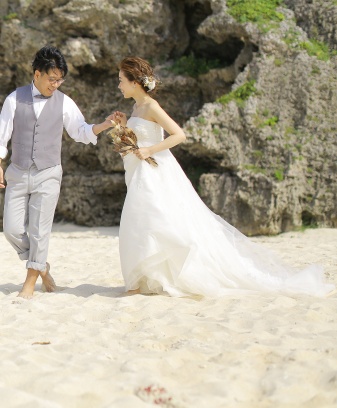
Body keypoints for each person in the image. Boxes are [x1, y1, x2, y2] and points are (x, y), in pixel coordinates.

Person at [111, 56, 334, 298]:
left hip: (154, 172)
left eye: (121, 80)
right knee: (144, 221)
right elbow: (141, 137)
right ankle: (144, 280)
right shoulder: (135, 108)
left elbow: (179, 135)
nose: (119, 85)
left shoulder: (152, 106)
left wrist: (150, 150)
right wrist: (124, 126)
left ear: (135, 83)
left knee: (149, 220)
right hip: (141, 172)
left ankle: (141, 283)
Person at [0, 46, 114, 299]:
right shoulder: (14, 99)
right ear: (37, 74)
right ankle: (42, 266)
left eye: (60, 79)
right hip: (18, 170)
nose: (56, 84)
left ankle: (29, 283)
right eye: (52, 79)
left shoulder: (65, 102)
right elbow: (1, 135)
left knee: (39, 231)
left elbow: (80, 131)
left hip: (49, 172)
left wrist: (103, 126)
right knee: (11, 229)